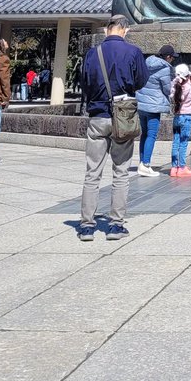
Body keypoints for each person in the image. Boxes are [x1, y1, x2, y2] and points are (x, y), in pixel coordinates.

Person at [78, 15, 149, 241]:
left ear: (107, 30)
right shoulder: (133, 52)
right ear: (125, 30)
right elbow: (141, 81)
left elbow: (85, 82)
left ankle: (87, 226)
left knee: (92, 173)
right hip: (123, 116)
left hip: (98, 116)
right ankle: (115, 225)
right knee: (120, 173)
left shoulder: (92, 53)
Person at [135, 43, 176, 176]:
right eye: (172, 58)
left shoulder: (146, 64)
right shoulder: (163, 68)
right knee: (151, 135)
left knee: (144, 134)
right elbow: (167, 89)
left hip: (142, 104)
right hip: (154, 106)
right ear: (168, 57)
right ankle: (146, 164)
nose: (173, 60)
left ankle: (142, 162)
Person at [170, 64, 191, 178]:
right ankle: (182, 168)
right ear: (188, 76)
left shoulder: (174, 86)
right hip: (186, 117)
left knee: (176, 142)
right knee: (183, 143)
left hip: (177, 117)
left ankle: (174, 168)